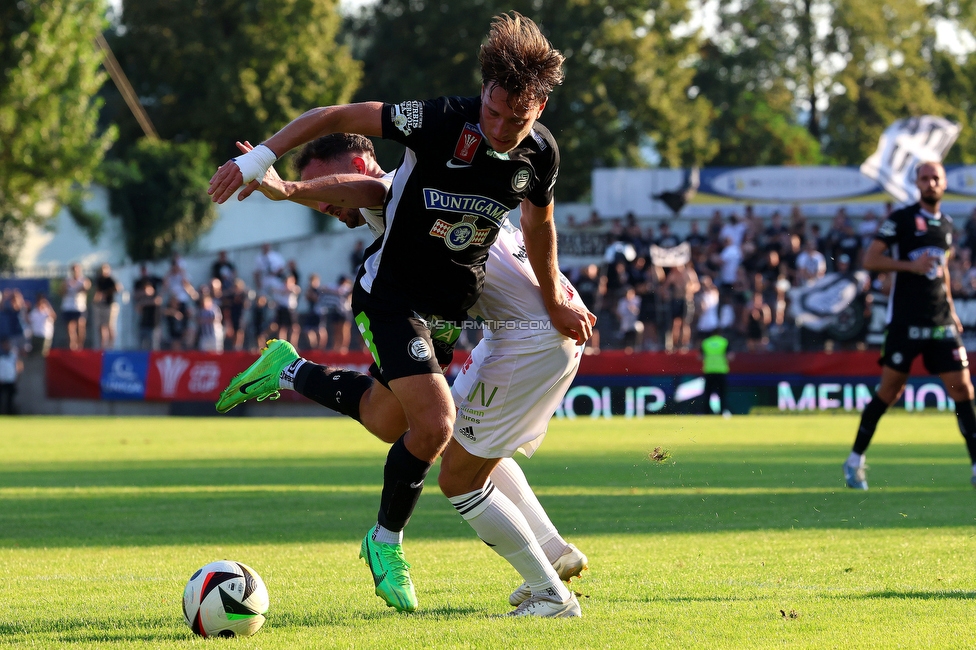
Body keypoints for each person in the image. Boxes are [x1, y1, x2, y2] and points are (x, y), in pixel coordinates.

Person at [208, 13, 592, 616]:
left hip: (452, 315)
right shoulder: (441, 122)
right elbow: (352, 153)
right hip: (396, 301)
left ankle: (290, 371)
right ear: (482, 91)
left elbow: (537, 224)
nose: (497, 129)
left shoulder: (536, 155)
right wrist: (266, 166)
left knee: (396, 424)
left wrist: (553, 298)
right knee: (443, 434)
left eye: (514, 120)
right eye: (490, 112)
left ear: (539, 107)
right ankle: (394, 544)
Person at [843, 161, 976, 490]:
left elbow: (941, 269)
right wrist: (909, 265)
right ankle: (855, 459)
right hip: (904, 320)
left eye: (936, 178)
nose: (930, 183)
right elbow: (871, 259)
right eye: (924, 178)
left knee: (963, 389)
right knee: (890, 391)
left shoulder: (946, 224)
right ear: (916, 183)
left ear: (944, 184)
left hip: (940, 320)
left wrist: (952, 309)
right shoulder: (900, 220)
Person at [92, 263, 122, 350]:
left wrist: (106, 294)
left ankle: (110, 346)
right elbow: (97, 291)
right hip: (101, 305)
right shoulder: (99, 280)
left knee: (110, 325)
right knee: (101, 326)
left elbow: (118, 288)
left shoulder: (110, 279)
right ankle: (103, 346)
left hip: (110, 305)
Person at [701, 329, 731, 415]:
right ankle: (722, 412)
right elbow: (729, 356)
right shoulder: (724, 342)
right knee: (722, 393)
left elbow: (700, 356)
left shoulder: (706, 342)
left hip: (709, 371)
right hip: (721, 371)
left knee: (708, 394)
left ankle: (706, 412)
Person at [61, 263, 90, 350]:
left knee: (81, 326)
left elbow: (86, 287)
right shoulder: (67, 281)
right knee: (70, 327)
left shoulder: (83, 280)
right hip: (68, 306)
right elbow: (61, 292)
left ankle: (80, 346)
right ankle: (72, 346)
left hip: (79, 307)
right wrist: (65, 288)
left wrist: (80, 287)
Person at [0, 337, 21, 415]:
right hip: (1, 381)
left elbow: (18, 366)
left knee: (10, 399)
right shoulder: (1, 355)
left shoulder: (13, 355)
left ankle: (10, 413)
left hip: (11, 380)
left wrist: (17, 377)